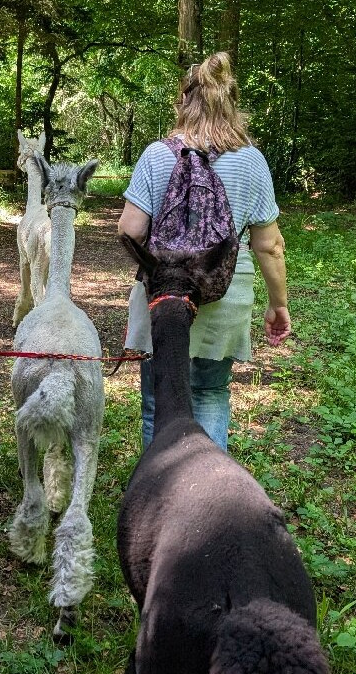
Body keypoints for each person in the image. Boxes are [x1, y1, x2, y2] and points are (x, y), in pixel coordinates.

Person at [118, 51, 291, 452]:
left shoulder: (157, 154)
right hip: (225, 292)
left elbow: (129, 230)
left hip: (164, 296)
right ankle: (209, 493)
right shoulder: (252, 161)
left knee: (157, 402)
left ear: (182, 102)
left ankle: (162, 496)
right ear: (231, 104)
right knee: (211, 393)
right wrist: (278, 304)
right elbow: (269, 245)